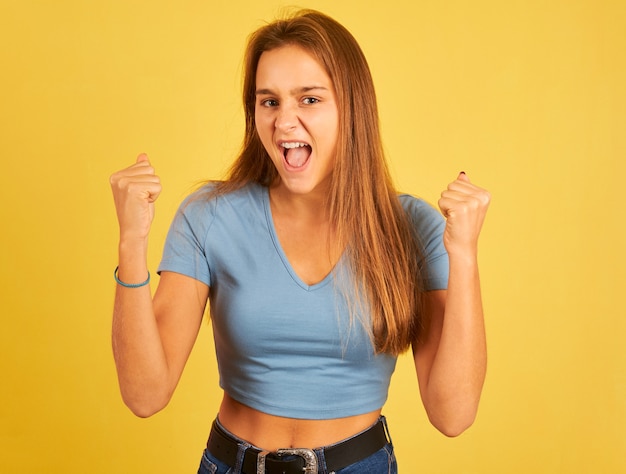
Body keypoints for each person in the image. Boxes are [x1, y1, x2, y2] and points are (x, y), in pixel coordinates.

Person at [109, 9, 490, 474]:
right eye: (269, 101)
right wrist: (132, 244)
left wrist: (465, 256)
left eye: (308, 99)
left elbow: (453, 415)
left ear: (351, 107)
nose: (285, 121)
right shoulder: (210, 215)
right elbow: (146, 395)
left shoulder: (412, 228)